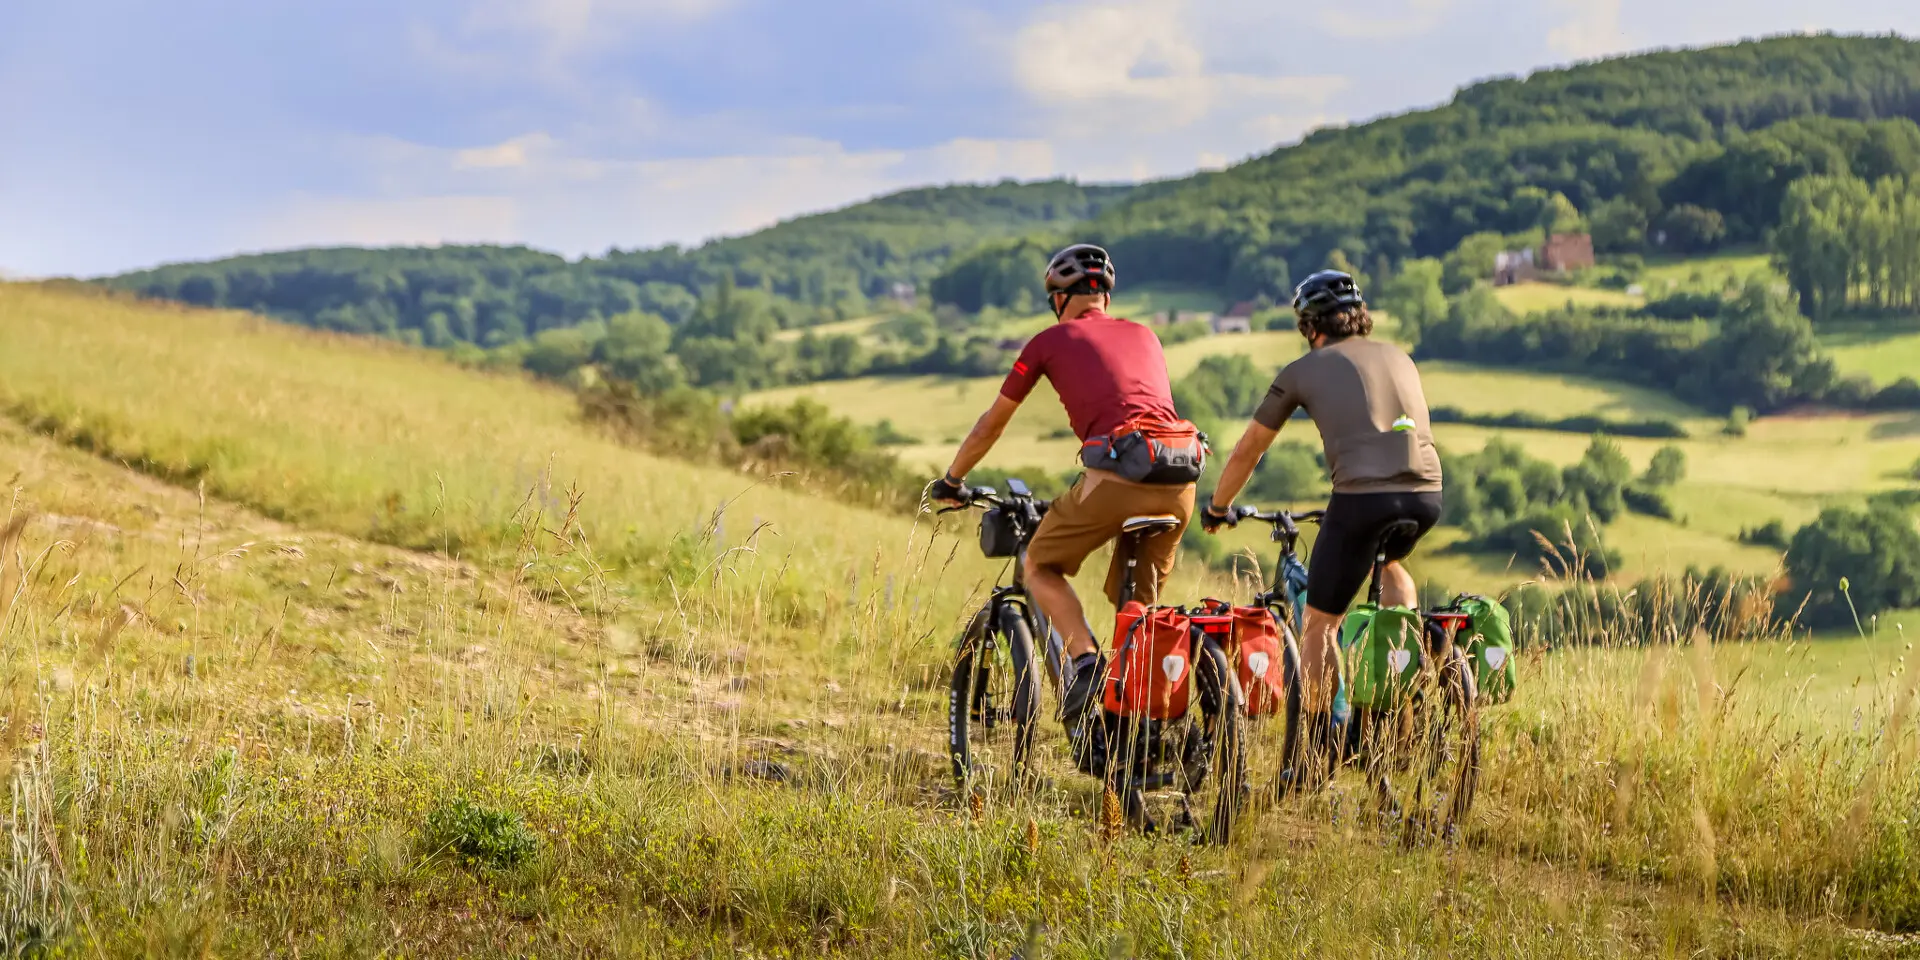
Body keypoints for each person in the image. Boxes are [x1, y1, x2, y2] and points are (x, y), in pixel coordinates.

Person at [930, 243, 1197, 724]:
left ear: (1058, 299)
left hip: (1117, 478)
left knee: (1038, 563)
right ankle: (1135, 721)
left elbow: (992, 423)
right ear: (1105, 298)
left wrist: (953, 479)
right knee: (1135, 608)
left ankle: (1085, 662)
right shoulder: (1146, 334)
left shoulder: (1049, 341)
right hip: (1181, 480)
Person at [1199, 269, 1444, 766]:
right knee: (1391, 571)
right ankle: (1402, 716)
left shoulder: (1302, 370)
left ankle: (1316, 747)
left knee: (1320, 626)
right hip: (1426, 495)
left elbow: (1249, 449)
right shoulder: (1401, 357)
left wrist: (1218, 507)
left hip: (1361, 499)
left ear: (1310, 326)